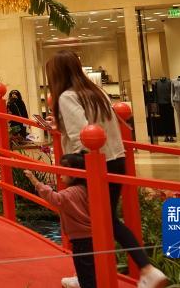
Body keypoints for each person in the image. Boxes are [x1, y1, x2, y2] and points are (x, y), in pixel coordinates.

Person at [45, 50, 168, 288]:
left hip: (91, 164)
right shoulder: (96, 91)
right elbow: (96, 126)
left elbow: (82, 137)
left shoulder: (67, 97)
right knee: (107, 220)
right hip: (115, 159)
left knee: (81, 224)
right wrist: (60, 126)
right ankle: (144, 269)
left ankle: (96, 275)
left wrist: (70, 168)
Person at [24, 154, 93, 288]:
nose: (60, 173)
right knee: (87, 267)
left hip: (81, 237)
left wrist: (35, 181)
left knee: (85, 269)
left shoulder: (71, 193)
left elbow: (55, 198)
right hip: (88, 235)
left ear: (74, 173)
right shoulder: (85, 188)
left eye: (64, 170)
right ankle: (81, 280)